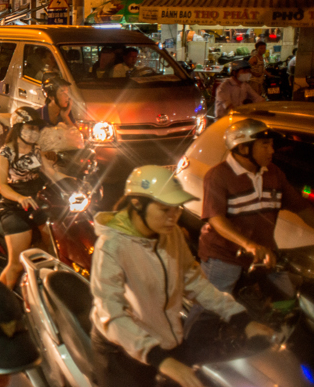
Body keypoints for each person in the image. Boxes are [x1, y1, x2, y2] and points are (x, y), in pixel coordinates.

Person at [90, 166, 273, 387]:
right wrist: (159, 358)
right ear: (137, 204)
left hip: (166, 340)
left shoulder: (171, 233)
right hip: (121, 351)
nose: (173, 217)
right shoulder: (110, 246)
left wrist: (239, 318)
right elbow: (111, 312)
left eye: (177, 209)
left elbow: (193, 280)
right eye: (164, 209)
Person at [185, 119, 314, 334]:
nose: (272, 151)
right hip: (225, 255)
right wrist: (249, 245)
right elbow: (215, 219)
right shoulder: (218, 175)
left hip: (265, 254)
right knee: (211, 306)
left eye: (271, 145)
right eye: (265, 145)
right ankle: (188, 348)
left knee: (289, 299)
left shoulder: (273, 174)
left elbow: (302, 209)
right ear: (243, 147)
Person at [0, 107, 67, 288]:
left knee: (54, 250)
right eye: (30, 128)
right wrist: (19, 198)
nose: (34, 132)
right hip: (14, 207)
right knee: (16, 264)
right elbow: (1, 186)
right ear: (18, 127)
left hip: (39, 203)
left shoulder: (36, 150)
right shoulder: (5, 153)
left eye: (36, 129)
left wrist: (77, 181)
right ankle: (1, 299)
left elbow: (51, 172)